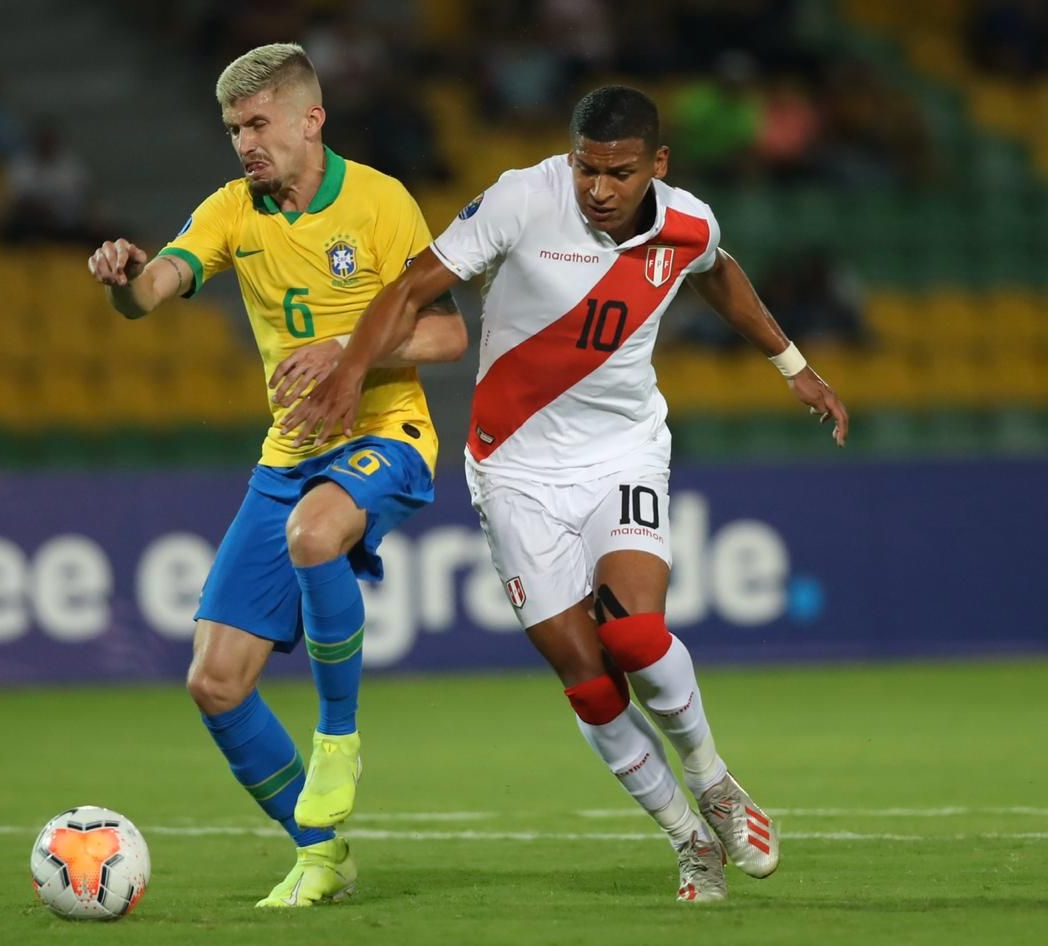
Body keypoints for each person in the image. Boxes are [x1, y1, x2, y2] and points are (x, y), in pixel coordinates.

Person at [284, 85, 849, 902]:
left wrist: (794, 366)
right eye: (587, 168)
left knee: (634, 634)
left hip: (622, 455)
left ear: (657, 165)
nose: (599, 189)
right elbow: (409, 288)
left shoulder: (688, 221)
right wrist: (349, 370)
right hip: (512, 470)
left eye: (619, 173)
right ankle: (689, 841)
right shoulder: (520, 199)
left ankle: (715, 782)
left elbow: (716, 274)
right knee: (586, 679)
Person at [86, 43, 466, 907]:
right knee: (214, 683)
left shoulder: (379, 202)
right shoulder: (233, 210)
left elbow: (446, 335)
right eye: (233, 129)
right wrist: (120, 280)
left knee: (314, 534)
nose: (245, 143)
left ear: (310, 120)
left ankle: (339, 739)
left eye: (258, 124)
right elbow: (152, 291)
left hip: (388, 434)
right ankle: (321, 851)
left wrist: (351, 351)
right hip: (289, 455)